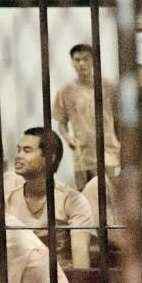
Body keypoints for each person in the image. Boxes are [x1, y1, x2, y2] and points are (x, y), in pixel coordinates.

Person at [5, 127, 93, 269]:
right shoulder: (7, 200)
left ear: (50, 158)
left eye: (27, 151)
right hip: (19, 278)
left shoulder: (72, 201)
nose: (18, 156)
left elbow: (81, 261)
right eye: (18, 150)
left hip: (62, 278)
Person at [53, 43, 121, 190]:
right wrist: (67, 138)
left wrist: (120, 143)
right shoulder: (66, 91)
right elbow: (61, 122)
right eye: (77, 60)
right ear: (72, 62)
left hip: (108, 149)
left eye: (86, 59)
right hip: (82, 153)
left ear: (93, 61)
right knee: (85, 194)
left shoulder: (108, 87)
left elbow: (118, 119)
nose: (81, 63)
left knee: (110, 192)